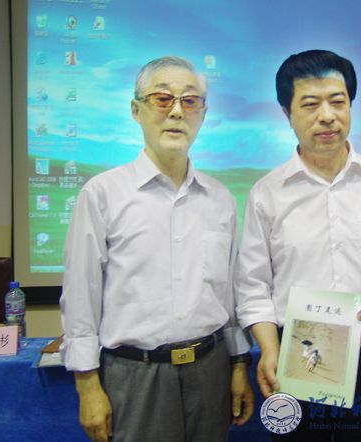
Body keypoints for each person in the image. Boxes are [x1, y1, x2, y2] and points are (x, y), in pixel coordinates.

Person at [234, 49, 361, 441]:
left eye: (337, 102)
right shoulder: (266, 195)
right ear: (286, 113)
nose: (327, 115)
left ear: (350, 106)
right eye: (310, 104)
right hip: (296, 352)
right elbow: (253, 285)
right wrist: (270, 349)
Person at [60, 56, 254, 442]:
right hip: (135, 376)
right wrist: (87, 385)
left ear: (203, 114)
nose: (177, 112)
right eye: (162, 99)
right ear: (137, 110)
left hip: (210, 370)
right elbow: (81, 294)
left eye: (190, 101)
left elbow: (228, 293)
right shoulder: (102, 194)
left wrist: (238, 365)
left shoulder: (220, 199)